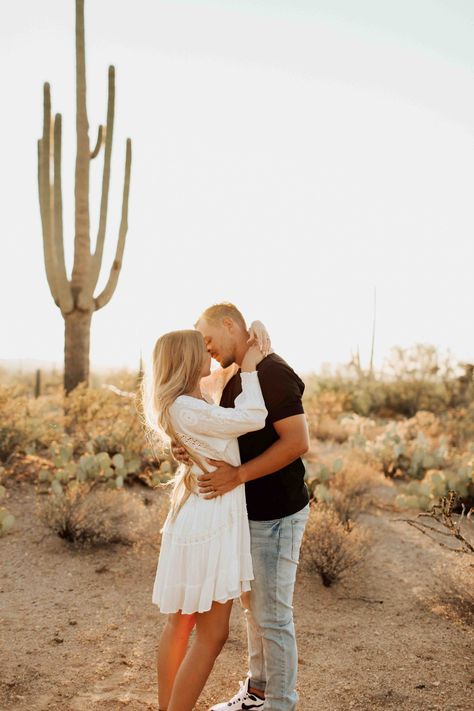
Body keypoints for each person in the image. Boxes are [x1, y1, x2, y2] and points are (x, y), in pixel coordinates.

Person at [194, 303, 310, 711]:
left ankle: (280, 704)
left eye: (209, 338)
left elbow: (297, 442)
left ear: (231, 326)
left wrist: (238, 476)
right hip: (249, 514)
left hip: (277, 513)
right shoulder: (238, 376)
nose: (207, 349)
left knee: (273, 616)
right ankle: (258, 694)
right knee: (253, 610)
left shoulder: (273, 372)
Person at [146, 328, 269, 711]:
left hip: (197, 514)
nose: (211, 354)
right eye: (203, 350)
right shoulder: (189, 408)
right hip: (209, 520)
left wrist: (253, 335)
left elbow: (216, 380)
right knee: (211, 634)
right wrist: (250, 367)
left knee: (181, 625)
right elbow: (254, 416)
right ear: (186, 360)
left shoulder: (185, 402)